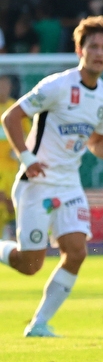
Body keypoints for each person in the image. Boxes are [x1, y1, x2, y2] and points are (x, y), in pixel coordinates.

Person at [0, 16, 103, 337]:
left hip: (69, 183)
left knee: (76, 252)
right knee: (30, 265)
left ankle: (39, 324)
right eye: (93, 46)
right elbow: (11, 116)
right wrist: (28, 159)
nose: (99, 53)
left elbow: (96, 141)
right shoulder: (57, 86)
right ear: (79, 49)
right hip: (37, 181)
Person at [0, 74, 29, 239]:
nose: (3, 89)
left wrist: (19, 146)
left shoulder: (15, 109)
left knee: (11, 205)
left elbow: (28, 133)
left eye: (6, 85)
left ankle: (13, 235)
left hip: (12, 167)